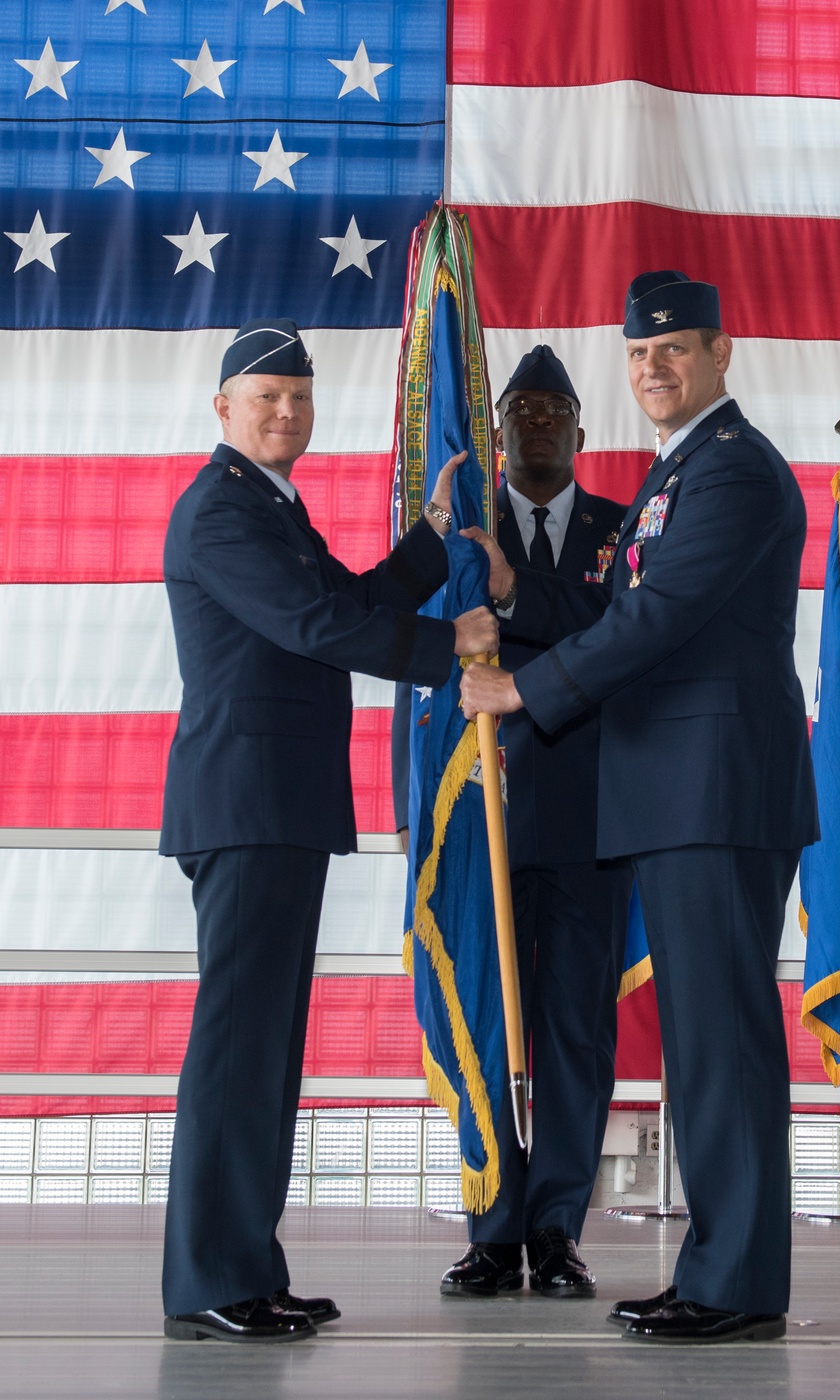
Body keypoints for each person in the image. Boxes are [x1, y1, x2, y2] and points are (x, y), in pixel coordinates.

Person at [460, 273, 819, 1343]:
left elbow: (655, 619)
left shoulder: (736, 473)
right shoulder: (679, 473)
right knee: (703, 1044)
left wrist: (524, 685)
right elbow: (613, 600)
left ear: (719, 352)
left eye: (672, 349)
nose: (652, 368)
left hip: (712, 792)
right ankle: (718, 1267)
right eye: (637, 354)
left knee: (724, 1044)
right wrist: (517, 593)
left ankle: (736, 1281)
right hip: (675, 794)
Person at [159, 318, 498, 1344]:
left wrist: (432, 544)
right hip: (248, 803)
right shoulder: (219, 512)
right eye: (267, 395)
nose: (287, 411)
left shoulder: (268, 506)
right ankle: (211, 1275)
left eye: (300, 395)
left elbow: (339, 600)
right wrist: (453, 644)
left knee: (263, 1049)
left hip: (277, 804)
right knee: (238, 1047)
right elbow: (317, 628)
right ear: (222, 408)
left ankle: (246, 1267)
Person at [395, 346, 632, 1299]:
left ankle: (557, 1230)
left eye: (553, 410)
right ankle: (494, 1224)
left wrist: (515, 599)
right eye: (519, 410)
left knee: (575, 1033)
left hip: (588, 825)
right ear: (494, 433)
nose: (536, 422)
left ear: (580, 429)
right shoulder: (463, 532)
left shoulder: (624, 533)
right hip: (478, 821)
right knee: (486, 1026)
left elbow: (621, 630)